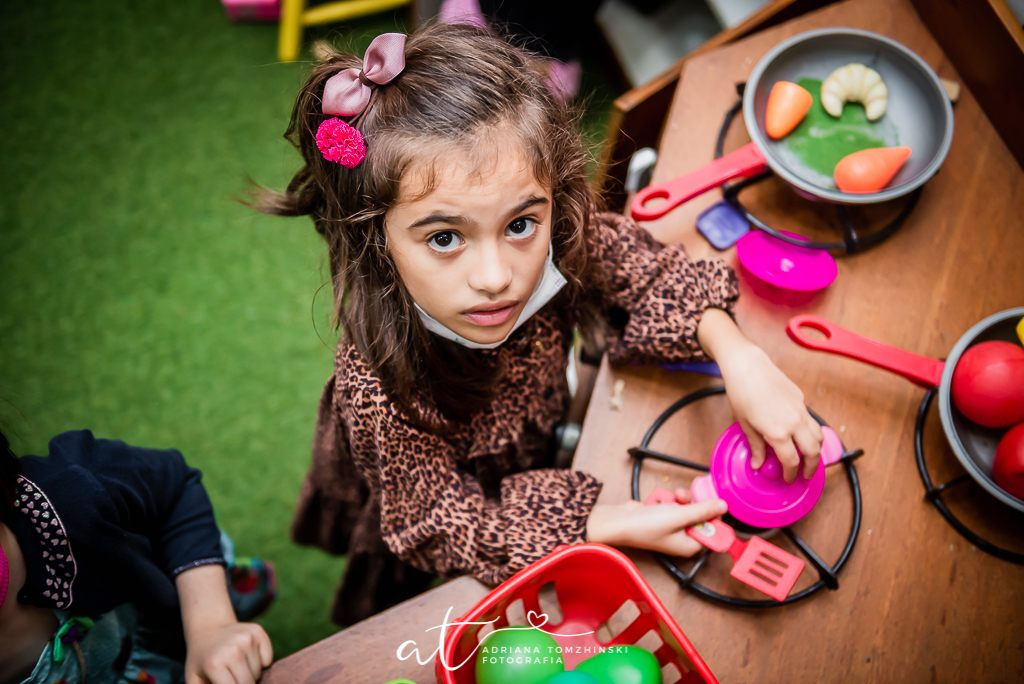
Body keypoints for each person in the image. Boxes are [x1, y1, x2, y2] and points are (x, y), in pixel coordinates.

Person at [252, 23, 825, 625]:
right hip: (443, 506)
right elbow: (434, 518)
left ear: (554, 194)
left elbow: (639, 266)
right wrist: (589, 524)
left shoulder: (561, 239)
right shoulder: (378, 386)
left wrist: (738, 354)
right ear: (376, 239)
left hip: (540, 446)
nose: (499, 276)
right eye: (445, 237)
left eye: (521, 223)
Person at [0, 430, 273, 684]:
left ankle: (240, 595)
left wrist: (212, 624)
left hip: (167, 596)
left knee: (230, 591)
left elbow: (176, 487)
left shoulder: (68, 493)